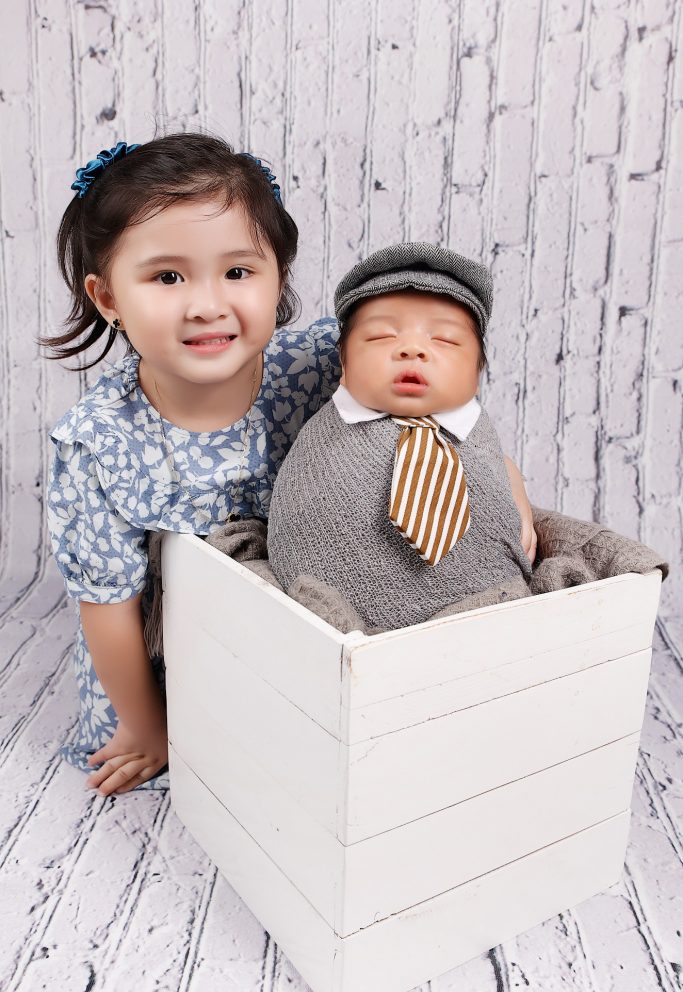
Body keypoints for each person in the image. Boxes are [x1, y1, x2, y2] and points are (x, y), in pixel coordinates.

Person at [44, 135, 533, 796]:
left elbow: (444, 412)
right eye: (167, 277)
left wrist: (508, 490)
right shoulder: (98, 445)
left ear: (278, 280)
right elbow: (108, 604)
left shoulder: (321, 359)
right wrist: (146, 723)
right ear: (107, 298)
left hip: (337, 598)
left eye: (238, 272)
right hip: (187, 646)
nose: (206, 304)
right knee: (247, 776)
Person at [267, 243, 534, 632]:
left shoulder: (478, 431)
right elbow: (299, 513)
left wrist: (513, 481)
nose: (412, 349)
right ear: (343, 362)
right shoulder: (325, 437)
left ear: (477, 371)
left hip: (480, 625)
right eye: (380, 337)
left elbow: (498, 499)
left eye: (444, 340)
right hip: (329, 623)